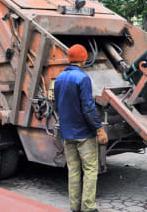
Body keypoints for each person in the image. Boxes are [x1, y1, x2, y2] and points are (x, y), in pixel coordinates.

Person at [54, 44, 108, 212]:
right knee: (91, 169)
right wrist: (99, 129)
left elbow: (57, 106)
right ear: (83, 59)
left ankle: (74, 207)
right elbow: (88, 107)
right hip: (84, 134)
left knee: (74, 171)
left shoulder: (59, 79)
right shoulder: (83, 78)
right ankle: (88, 207)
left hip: (67, 133)